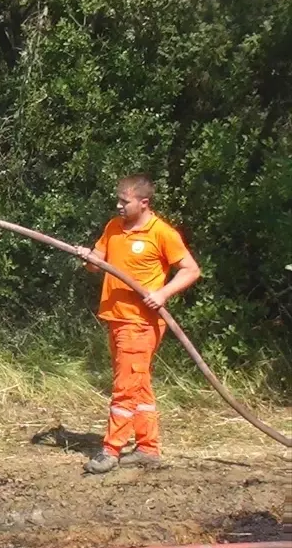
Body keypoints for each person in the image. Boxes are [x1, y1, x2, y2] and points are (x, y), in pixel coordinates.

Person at [75, 174, 200, 474]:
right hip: (116, 318)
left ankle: (111, 449)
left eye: (124, 201)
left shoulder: (161, 233)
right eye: (118, 199)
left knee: (124, 387)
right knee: (138, 385)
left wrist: (163, 293)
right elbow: (97, 262)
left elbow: (191, 270)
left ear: (144, 203)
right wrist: (87, 257)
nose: (118, 205)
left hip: (141, 324)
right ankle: (148, 448)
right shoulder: (113, 228)